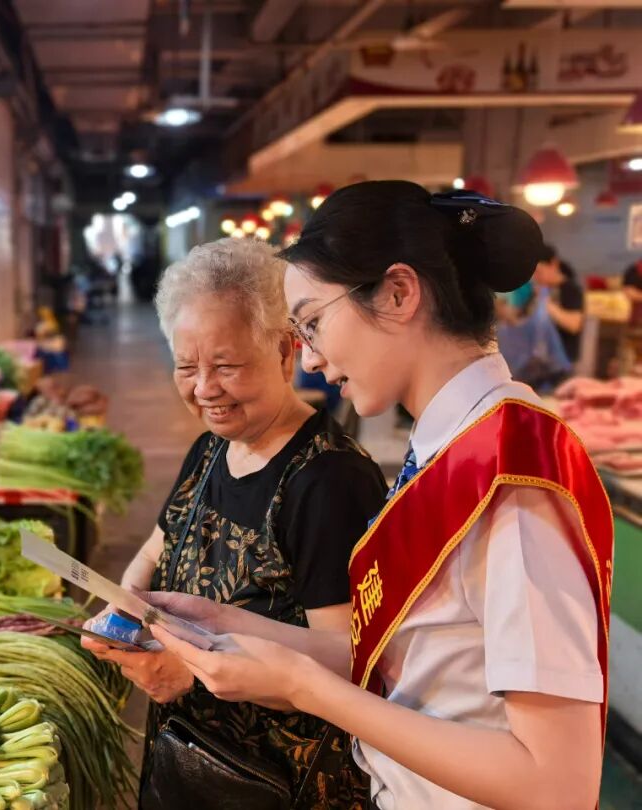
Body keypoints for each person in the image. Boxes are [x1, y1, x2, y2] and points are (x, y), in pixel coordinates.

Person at [147, 182, 613, 810]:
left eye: (311, 323)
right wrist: (226, 624)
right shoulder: (449, 446)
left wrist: (303, 686)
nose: (308, 361)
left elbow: (557, 786)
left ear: (398, 293)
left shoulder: (510, 475)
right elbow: (406, 662)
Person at [82, 237, 388, 808]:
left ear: (284, 350)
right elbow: (157, 546)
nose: (204, 390)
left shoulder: (328, 481)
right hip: (189, 752)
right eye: (186, 367)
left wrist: (190, 669)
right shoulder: (210, 450)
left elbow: (351, 661)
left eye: (226, 366)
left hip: (277, 779)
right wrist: (123, 607)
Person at [533, 243, 585, 363]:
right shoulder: (541, 290)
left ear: (553, 264)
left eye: (538, 272)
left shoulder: (571, 289)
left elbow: (574, 324)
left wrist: (547, 305)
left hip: (563, 361)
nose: (535, 278)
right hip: (542, 360)